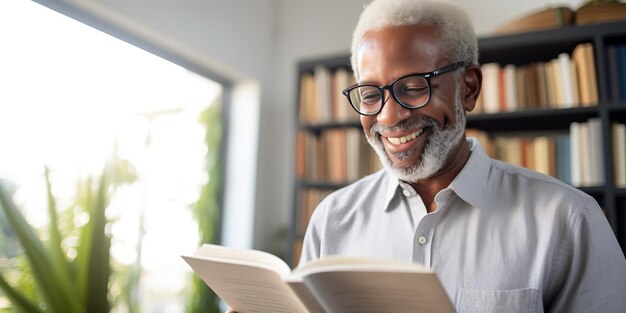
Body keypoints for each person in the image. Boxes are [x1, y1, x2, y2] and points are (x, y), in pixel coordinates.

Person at [227, 0, 626, 312]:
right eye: (370, 95)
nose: (388, 116)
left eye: (413, 87)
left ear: (468, 88)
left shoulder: (568, 221)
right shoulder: (333, 220)